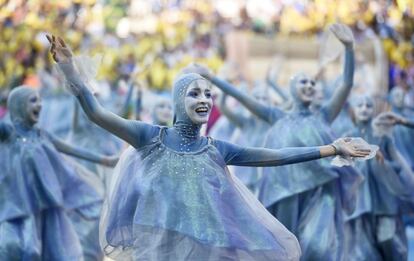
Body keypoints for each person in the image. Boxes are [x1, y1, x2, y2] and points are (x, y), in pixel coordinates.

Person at [47, 33, 371, 261]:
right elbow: (96, 113)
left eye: (207, 94)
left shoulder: (217, 149)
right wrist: (69, 69)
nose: (203, 99)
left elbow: (273, 157)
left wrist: (331, 148)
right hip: (155, 249)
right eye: (194, 93)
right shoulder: (149, 138)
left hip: (207, 249)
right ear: (177, 101)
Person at [199, 23, 363, 260]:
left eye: (312, 83)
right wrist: (213, 78)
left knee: (318, 247)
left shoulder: (325, 115)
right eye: (303, 82)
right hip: (284, 191)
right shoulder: (275, 116)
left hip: (321, 190)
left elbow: (346, 84)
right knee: (286, 247)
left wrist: (349, 48)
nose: (309, 85)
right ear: (292, 89)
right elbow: (242, 97)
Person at [0, 86, 117, 260]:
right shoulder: (9, 134)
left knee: (54, 251)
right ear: (17, 104)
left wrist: (104, 160)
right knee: (22, 247)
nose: (39, 104)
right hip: (20, 206)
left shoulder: (42, 134)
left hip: (47, 204)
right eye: (33, 100)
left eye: (40, 100)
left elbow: (70, 149)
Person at [344, 95, 414, 260]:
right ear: (353, 110)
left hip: (384, 199)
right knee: (364, 250)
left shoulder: (382, 136)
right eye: (360, 105)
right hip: (360, 201)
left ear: (373, 110)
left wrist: (383, 164)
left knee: (388, 239)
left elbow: (398, 164)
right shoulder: (347, 138)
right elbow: (340, 169)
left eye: (368, 105)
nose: (364, 109)